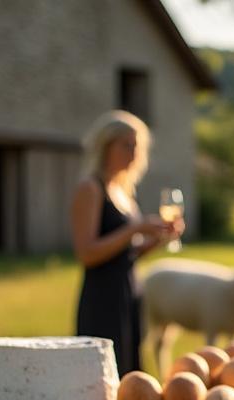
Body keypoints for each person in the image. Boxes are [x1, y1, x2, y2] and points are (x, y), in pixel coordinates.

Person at [70, 110, 179, 376]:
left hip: (129, 294)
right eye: (126, 145)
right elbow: (87, 253)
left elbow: (125, 253)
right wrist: (135, 229)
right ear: (106, 146)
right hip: (103, 299)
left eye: (137, 146)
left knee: (129, 372)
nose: (133, 153)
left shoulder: (123, 192)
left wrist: (156, 239)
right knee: (103, 379)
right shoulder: (90, 188)